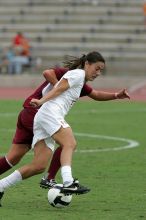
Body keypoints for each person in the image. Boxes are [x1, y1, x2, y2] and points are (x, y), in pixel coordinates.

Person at [0, 51, 130, 206]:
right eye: (97, 68)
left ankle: (1, 186)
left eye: (101, 70)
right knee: (69, 143)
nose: (98, 73)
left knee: (39, 165)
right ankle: (68, 181)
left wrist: (116, 95)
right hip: (47, 113)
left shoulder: (80, 80)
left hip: (42, 116)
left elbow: (95, 94)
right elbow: (58, 88)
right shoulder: (77, 74)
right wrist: (41, 101)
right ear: (87, 64)